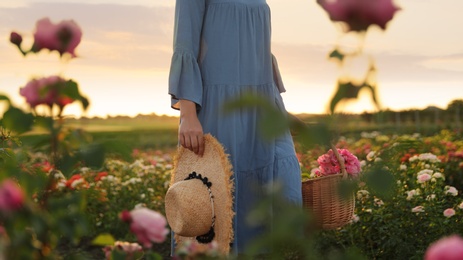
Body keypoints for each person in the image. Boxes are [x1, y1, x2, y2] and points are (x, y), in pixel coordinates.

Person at [168, 0, 302, 255]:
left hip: (263, 109)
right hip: (220, 109)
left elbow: (259, 54)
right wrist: (187, 113)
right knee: (223, 205)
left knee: (284, 188)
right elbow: (185, 42)